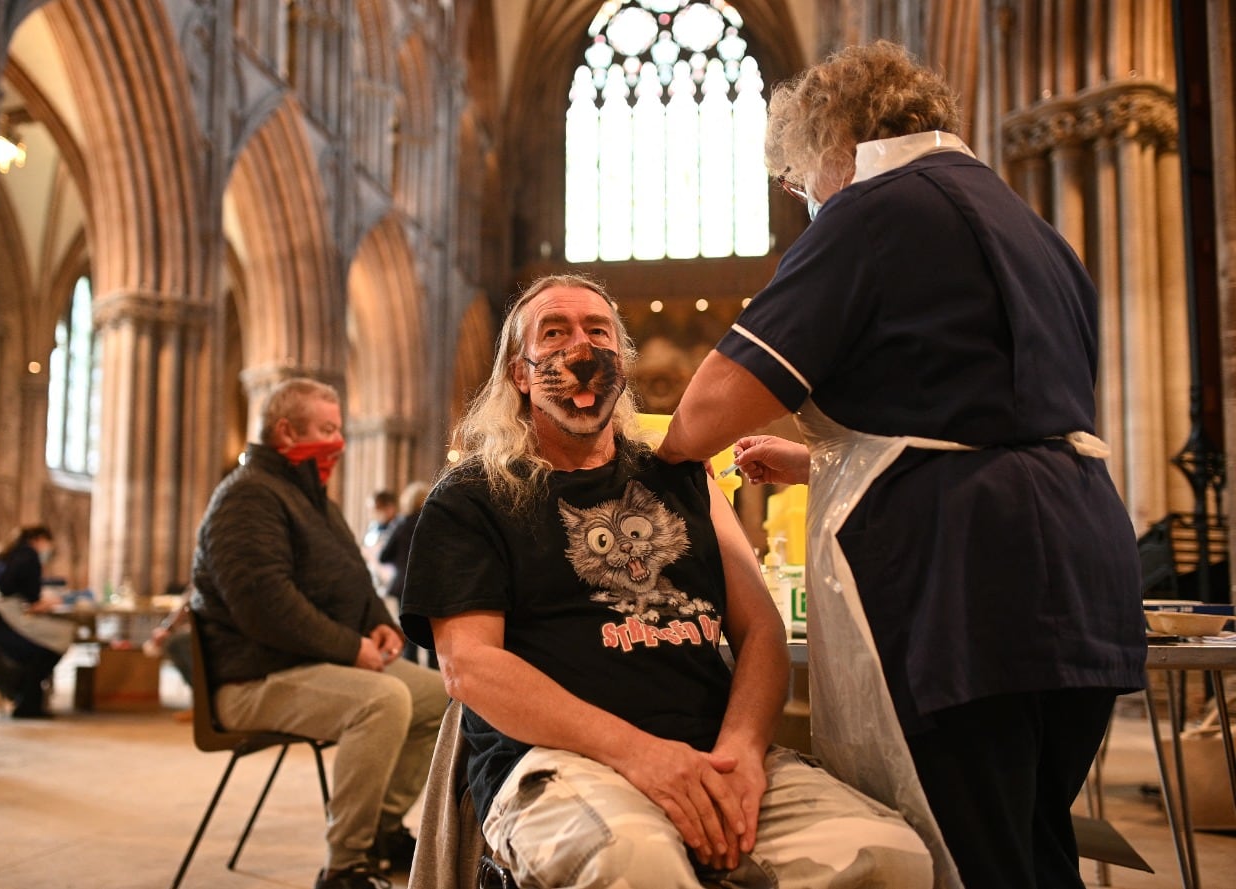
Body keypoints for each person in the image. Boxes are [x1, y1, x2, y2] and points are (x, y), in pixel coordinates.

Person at [656, 41, 1147, 889]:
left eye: (798, 176)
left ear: (831, 143)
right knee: (1034, 843)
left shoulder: (870, 211)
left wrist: (639, 462)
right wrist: (820, 459)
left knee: (962, 855)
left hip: (962, 582)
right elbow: (990, 412)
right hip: (1083, 564)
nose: (803, 197)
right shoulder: (1027, 222)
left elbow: (703, 412)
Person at [400, 273, 933, 889]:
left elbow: (760, 628)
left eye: (598, 330)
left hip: (712, 752)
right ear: (520, 374)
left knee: (889, 857)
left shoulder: (680, 476)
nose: (580, 347)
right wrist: (643, 756)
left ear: (622, 363)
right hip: (559, 760)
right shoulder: (472, 496)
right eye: (554, 332)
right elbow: (471, 668)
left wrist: (740, 757)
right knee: (636, 864)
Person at [190, 377, 447, 889]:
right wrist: (349, 648)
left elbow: (353, 574)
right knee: (382, 701)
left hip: (305, 665)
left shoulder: (312, 500)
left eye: (339, 428)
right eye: (326, 430)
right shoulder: (246, 498)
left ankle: (379, 829)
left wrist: (377, 620)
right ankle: (345, 865)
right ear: (286, 432)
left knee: (441, 695)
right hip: (252, 679)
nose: (339, 441)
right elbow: (265, 606)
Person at [0, 525, 72, 718]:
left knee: (41, 646)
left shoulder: (5, 553)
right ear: (39, 539)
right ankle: (27, 702)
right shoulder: (29, 556)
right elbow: (32, 597)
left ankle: (26, 697)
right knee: (52, 644)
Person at [377, 480, 430, 663]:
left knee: (410, 637)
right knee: (433, 640)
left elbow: (383, 556)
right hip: (430, 585)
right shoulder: (435, 524)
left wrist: (400, 561)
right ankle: (436, 686)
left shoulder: (401, 524)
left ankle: (414, 684)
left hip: (406, 585)